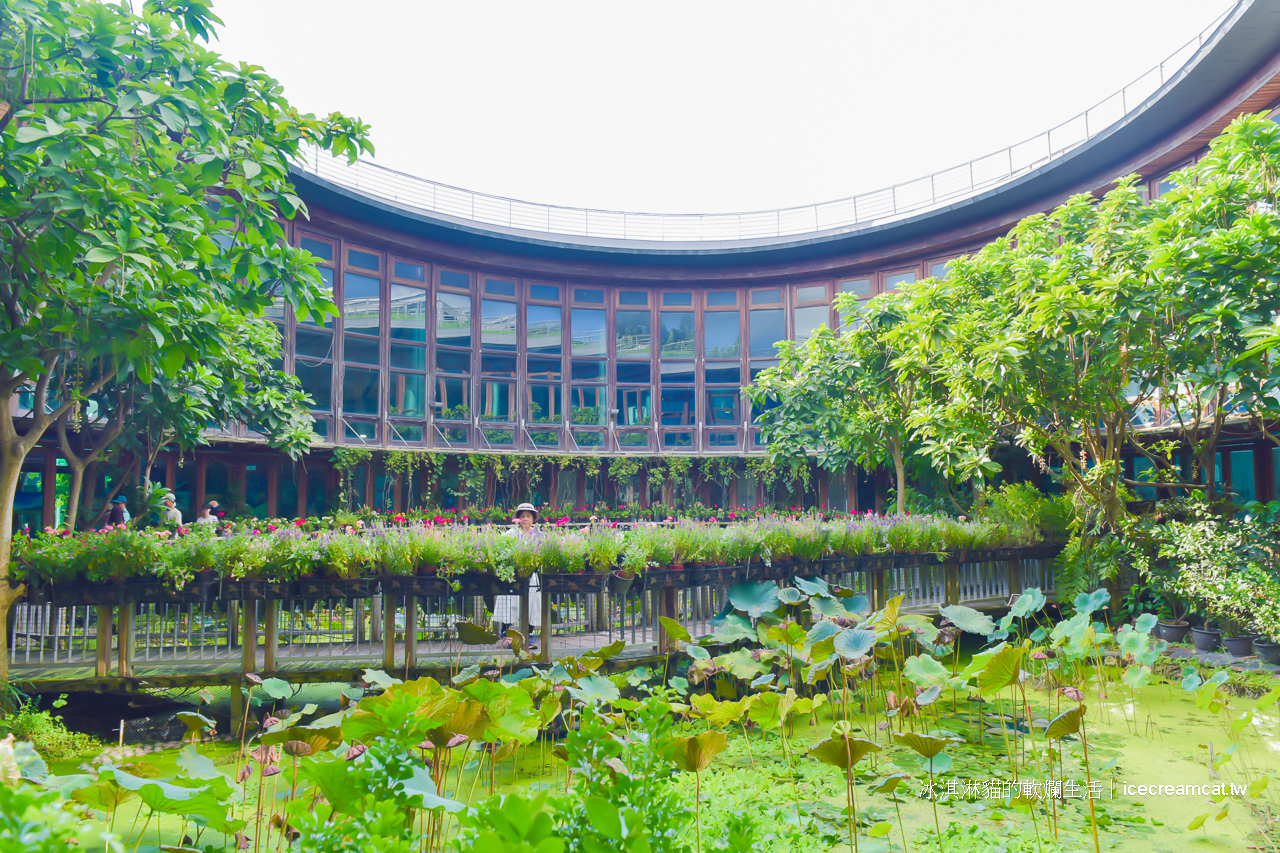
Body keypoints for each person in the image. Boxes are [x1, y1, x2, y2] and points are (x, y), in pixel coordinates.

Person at [494, 503, 541, 644]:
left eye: (528, 516)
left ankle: (529, 635)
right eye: (522, 516)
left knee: (533, 604)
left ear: (533, 519)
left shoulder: (539, 535)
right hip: (513, 576)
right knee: (509, 603)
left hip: (532, 576)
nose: (525, 519)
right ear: (518, 519)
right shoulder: (510, 534)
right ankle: (506, 635)